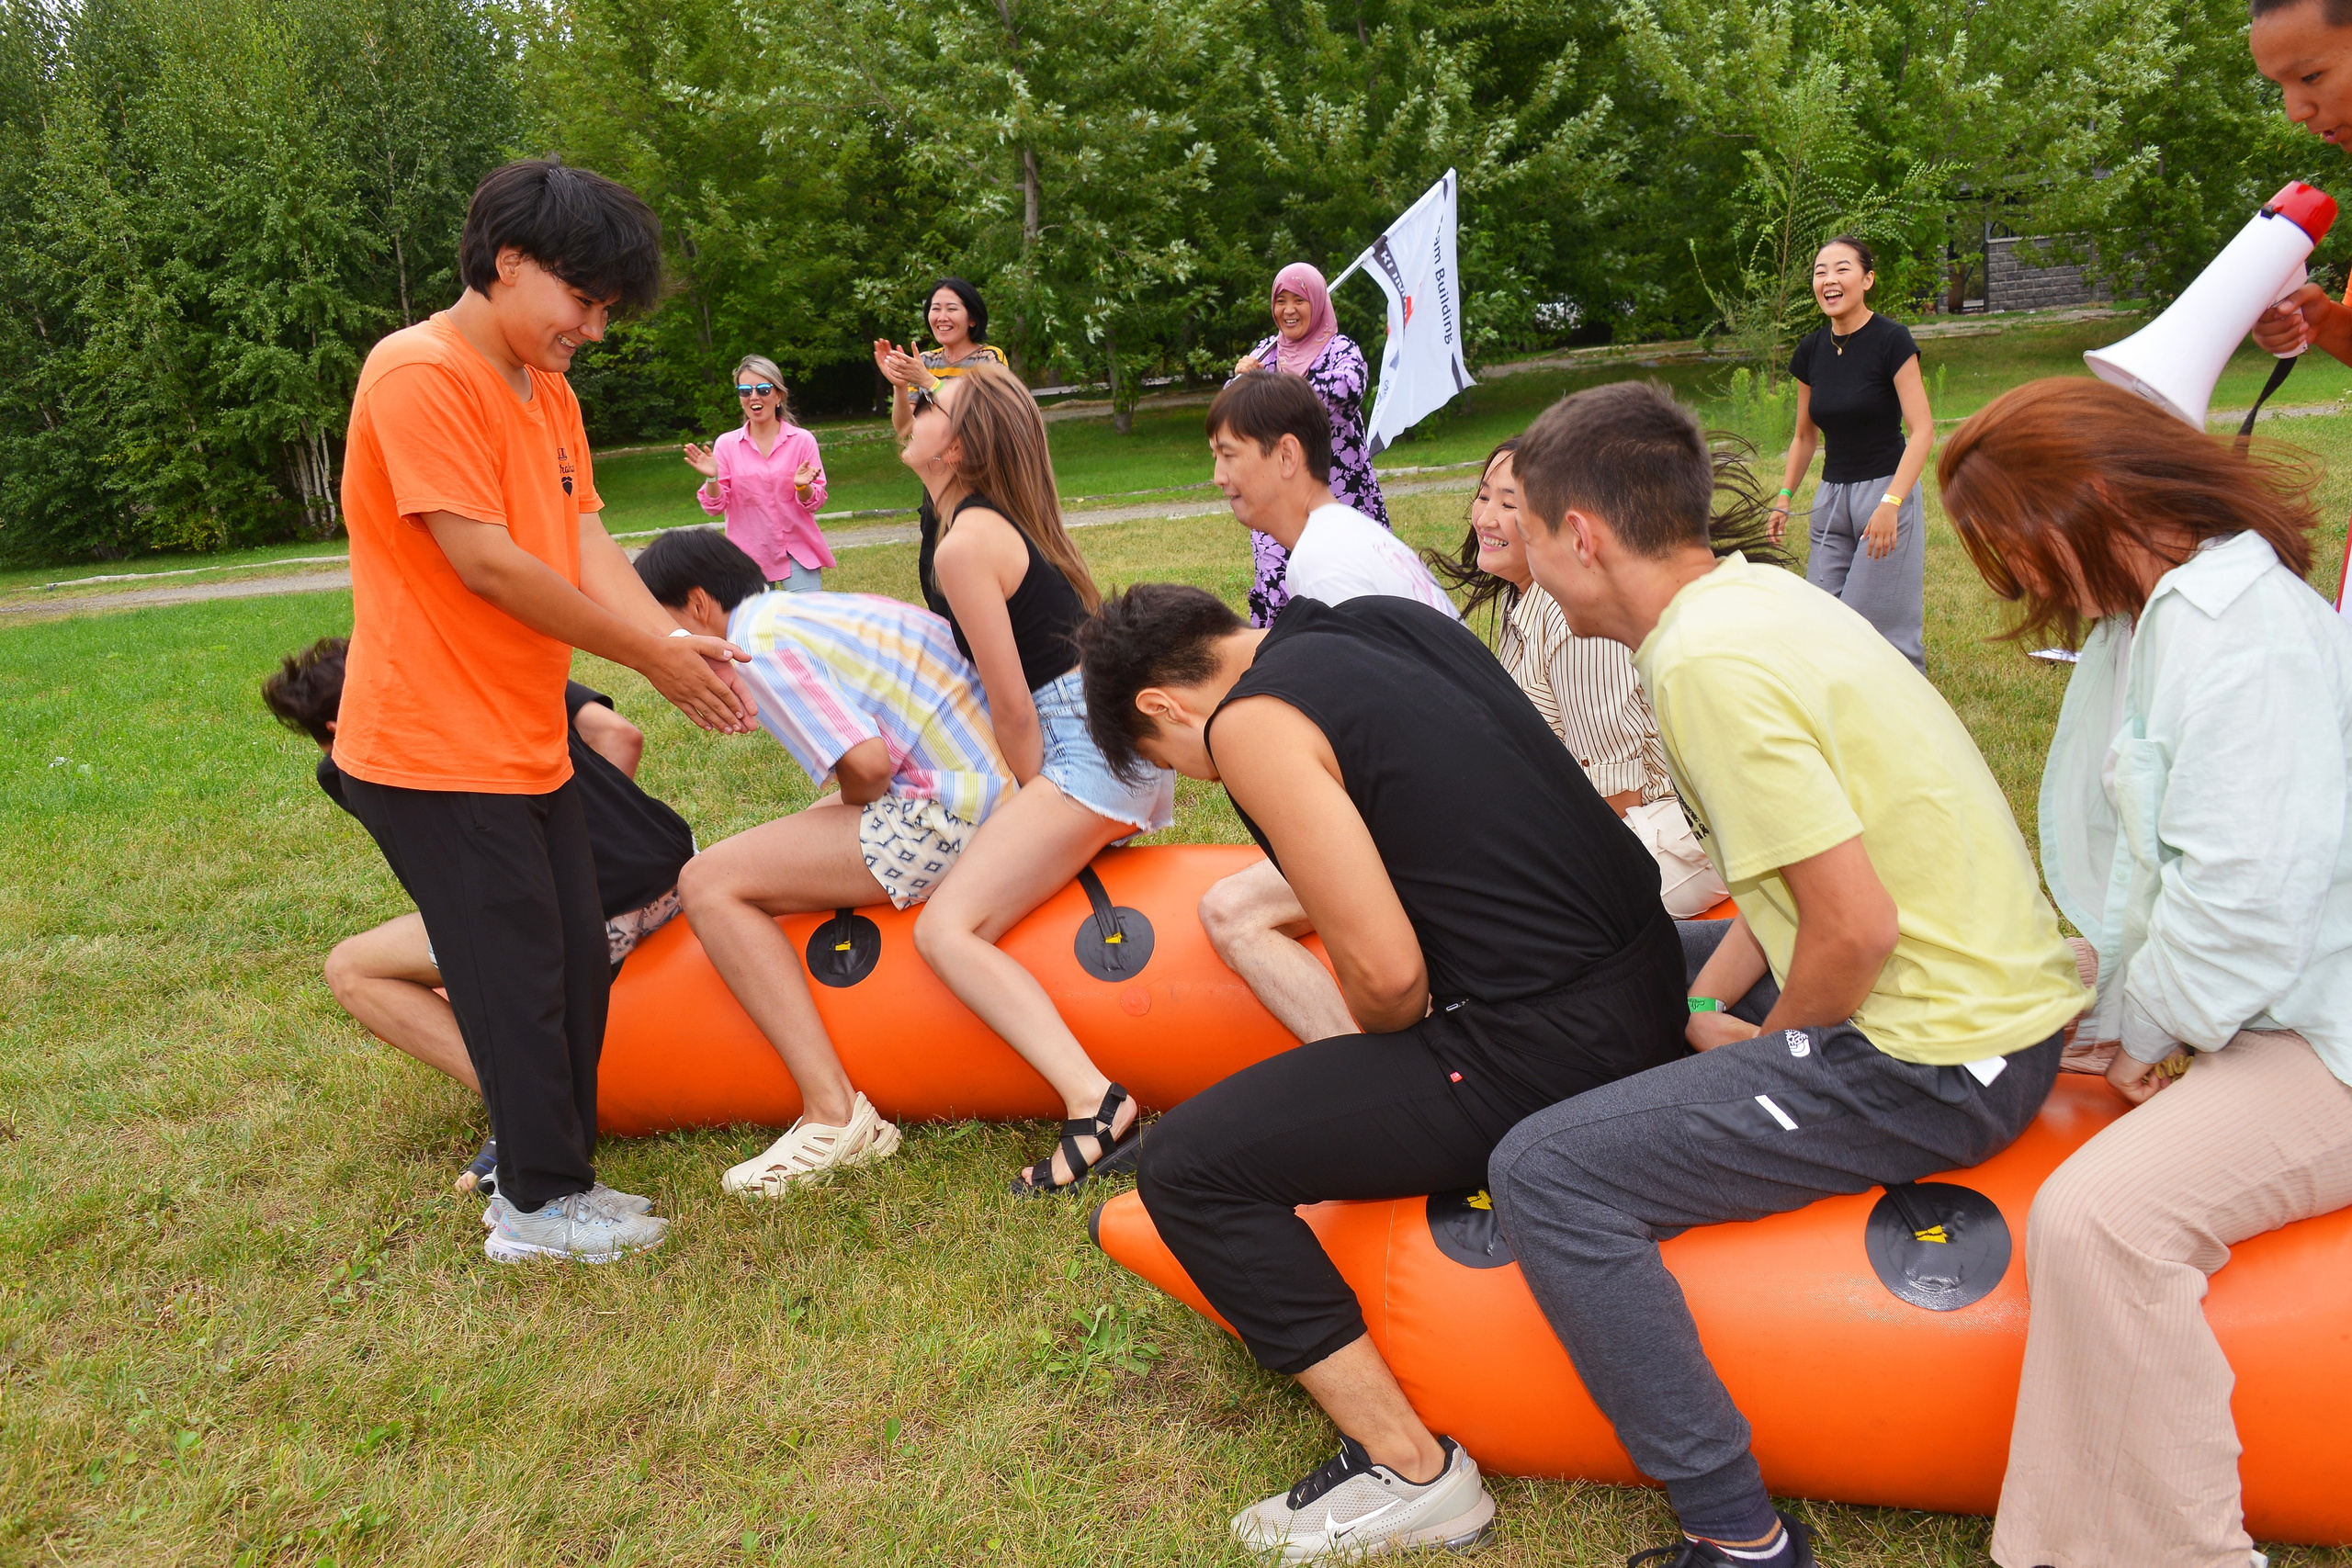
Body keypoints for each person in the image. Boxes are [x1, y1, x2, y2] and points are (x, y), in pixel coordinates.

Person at [1486, 380, 2086, 1568]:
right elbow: (1798, 882)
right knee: (1625, 967)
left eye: (1530, 532)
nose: (1528, 566)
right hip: (1969, 1005)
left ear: (1581, 536)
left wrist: (1768, 1053)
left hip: (1935, 1059)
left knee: (1543, 1174)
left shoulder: (1702, 663)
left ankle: (1738, 1535)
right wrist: (1701, 999)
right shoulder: (1749, 598)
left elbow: (1851, 930)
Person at [1076, 581, 1688, 1562]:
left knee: (1187, 1166)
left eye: (1171, 759)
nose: (1203, 771)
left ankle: (1409, 1471)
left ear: (1163, 705)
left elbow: (1390, 980)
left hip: (1545, 1047)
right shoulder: (1380, 619)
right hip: (1649, 978)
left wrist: (1394, 1038)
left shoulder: (1250, 722)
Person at [1929, 379, 2352, 1568]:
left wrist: (2148, 1033)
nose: (2015, 577)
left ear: (2099, 500)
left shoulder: (2241, 638)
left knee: (2103, 1221)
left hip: (2320, 1032)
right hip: (2256, 997)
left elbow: (2242, 913)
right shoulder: (2148, 622)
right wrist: (2099, 1000)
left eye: (2014, 542)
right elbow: (2140, 880)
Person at [333, 159, 757, 1266]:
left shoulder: (548, 390)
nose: (595, 329)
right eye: (584, 300)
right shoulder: (417, 372)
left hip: (524, 736)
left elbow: (578, 538)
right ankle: (534, 1206)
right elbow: (486, 564)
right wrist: (646, 656)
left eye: (608, 309)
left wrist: (671, 643)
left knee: (568, 959)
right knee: (511, 977)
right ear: (508, 261)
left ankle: (555, 1180)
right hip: (429, 748)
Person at [632, 528, 1015, 1193]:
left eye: (657, 626)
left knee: (709, 880)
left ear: (697, 605)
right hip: (1005, 801)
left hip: (950, 816)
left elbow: (868, 765)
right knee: (793, 832)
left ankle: (834, 1114)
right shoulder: (810, 609)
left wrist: (846, 804)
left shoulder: (755, 645)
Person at [262, 637, 696, 1194]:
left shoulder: (359, 762)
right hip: (678, 866)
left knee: (351, 967)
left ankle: (527, 1112)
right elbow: (620, 734)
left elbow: (461, 884)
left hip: (588, 916)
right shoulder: (490, 667)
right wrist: (597, 841)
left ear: (334, 728)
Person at [893, 363, 1176, 1194]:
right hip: (1100, 741)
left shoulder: (969, 543)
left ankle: (1096, 1103)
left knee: (945, 931)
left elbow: (1015, 709)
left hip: (1080, 754)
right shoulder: (967, 521)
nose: (914, 406)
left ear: (960, 446)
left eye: (930, 401)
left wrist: (1027, 800)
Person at [1192, 370, 1458, 1043]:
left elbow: (1374, 732)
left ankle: (1367, 1072)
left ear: (1285, 454)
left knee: (1229, 911)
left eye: (1228, 455)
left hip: (1435, 819)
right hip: (1452, 785)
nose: (1218, 477)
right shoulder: (1347, 535)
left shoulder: (1324, 566)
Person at [1430, 438, 1729, 919]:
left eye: (1509, 504)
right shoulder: (1521, 597)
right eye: (1483, 496)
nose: (1485, 517)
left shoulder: (1571, 619)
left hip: (1666, 831)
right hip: (1591, 821)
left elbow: (1618, 793)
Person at [1766, 236, 1935, 671]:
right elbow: (1804, 437)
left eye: (1842, 269)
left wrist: (1892, 503)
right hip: (1830, 501)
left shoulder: (1892, 340)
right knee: (1820, 621)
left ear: (1867, 279)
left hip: (1884, 492)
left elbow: (1922, 431)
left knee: (1877, 631)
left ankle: (1906, 702)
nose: (1829, 279)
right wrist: (1784, 496)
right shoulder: (1811, 350)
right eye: (1820, 272)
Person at [1231, 264, 1392, 626]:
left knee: (1348, 590)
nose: (1288, 310)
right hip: (1275, 496)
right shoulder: (1266, 353)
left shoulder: (1340, 349)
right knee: (1280, 589)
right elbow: (1233, 410)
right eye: (1281, 301)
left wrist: (1271, 389)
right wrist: (1242, 380)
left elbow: (1346, 392)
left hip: (1336, 496)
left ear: (1317, 302)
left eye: (1299, 300)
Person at [682, 354, 831, 591]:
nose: (754, 397)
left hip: (797, 550)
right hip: (747, 557)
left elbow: (815, 502)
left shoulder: (802, 441)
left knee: (808, 614)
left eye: (763, 389)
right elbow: (714, 507)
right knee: (755, 617)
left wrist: (802, 487)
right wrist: (712, 478)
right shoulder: (726, 445)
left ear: (778, 395)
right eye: (745, 391)